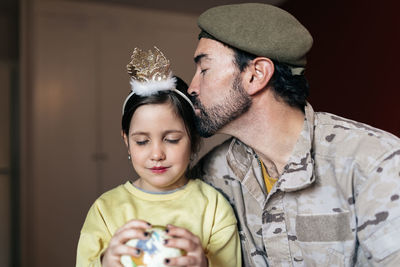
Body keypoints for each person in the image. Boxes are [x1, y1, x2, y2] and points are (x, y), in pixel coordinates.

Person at [187, 3, 400, 266]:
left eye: (204, 70)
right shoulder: (211, 176)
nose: (192, 87)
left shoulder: (375, 163)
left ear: (256, 74)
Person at [76, 47, 241, 267]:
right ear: (126, 141)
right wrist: (105, 262)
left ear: (193, 140)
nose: (156, 154)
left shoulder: (213, 208)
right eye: (142, 141)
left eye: (172, 139)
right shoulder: (105, 209)